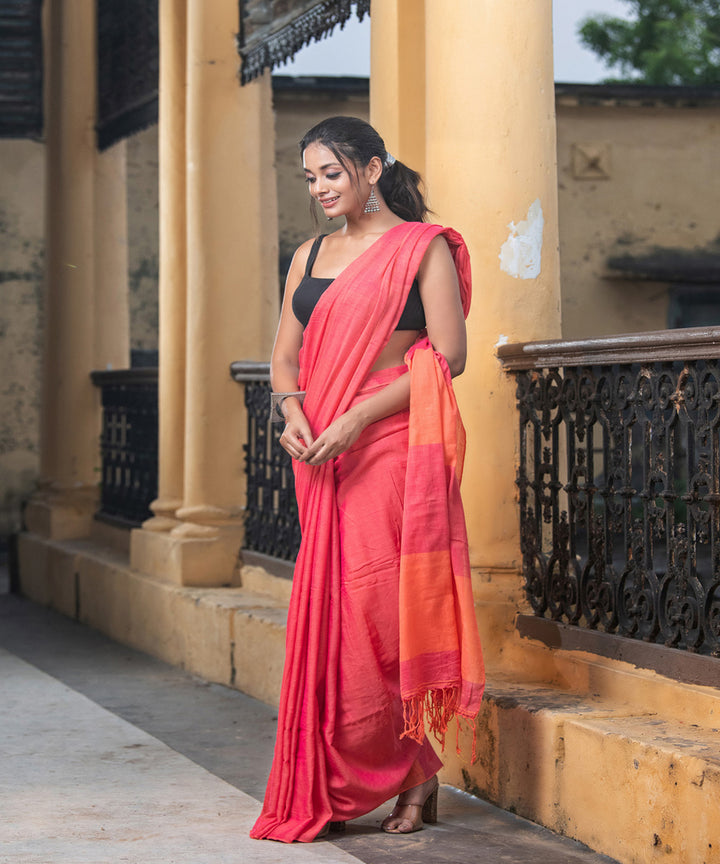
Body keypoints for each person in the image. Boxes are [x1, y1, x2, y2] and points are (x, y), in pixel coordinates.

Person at [250, 116, 485, 844]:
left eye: (332, 172)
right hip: (319, 451)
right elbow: (283, 358)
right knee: (335, 617)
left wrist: (356, 417)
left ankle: (417, 774)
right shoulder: (309, 253)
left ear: (373, 168)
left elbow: (448, 354)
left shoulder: (422, 249)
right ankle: (343, 774)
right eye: (311, 177)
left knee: (384, 613)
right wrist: (290, 410)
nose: (320, 188)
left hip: (389, 444)